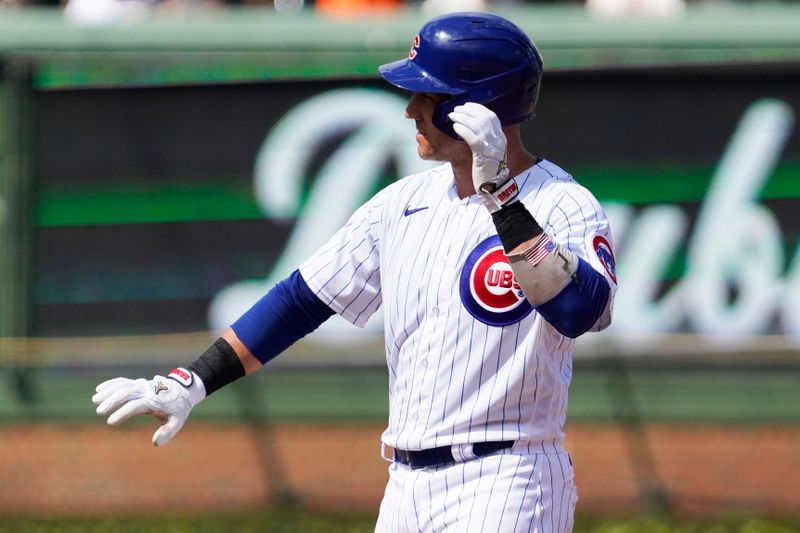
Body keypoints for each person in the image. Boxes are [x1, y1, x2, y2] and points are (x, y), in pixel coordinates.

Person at [92, 12, 616, 532]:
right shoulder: (403, 202)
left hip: (508, 479)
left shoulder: (563, 203)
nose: (411, 110)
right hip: (405, 486)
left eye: (428, 97)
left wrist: (500, 196)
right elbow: (301, 300)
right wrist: (192, 382)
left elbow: (580, 312)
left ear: (473, 108)